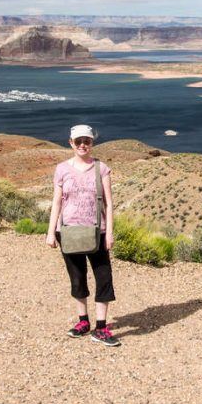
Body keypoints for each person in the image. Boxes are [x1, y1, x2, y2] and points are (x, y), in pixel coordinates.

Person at [46, 124, 120, 347]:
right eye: (78, 141)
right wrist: (51, 232)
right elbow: (57, 202)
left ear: (92, 143)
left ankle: (101, 326)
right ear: (71, 143)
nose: (82, 145)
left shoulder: (101, 168)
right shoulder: (61, 169)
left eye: (86, 141)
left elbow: (108, 203)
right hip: (67, 231)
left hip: (98, 231)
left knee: (104, 278)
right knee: (77, 277)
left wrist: (110, 233)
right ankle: (83, 322)